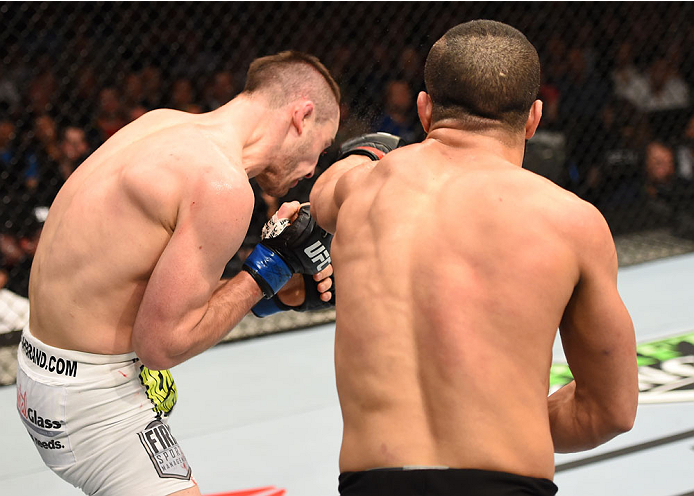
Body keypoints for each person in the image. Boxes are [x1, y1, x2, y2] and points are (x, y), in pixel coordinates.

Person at [310, 20, 638, 496]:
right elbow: (610, 411)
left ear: (424, 110)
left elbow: (321, 194)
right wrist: (503, 415)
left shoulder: (359, 191)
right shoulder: (571, 221)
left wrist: (367, 154)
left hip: (372, 482)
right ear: (534, 118)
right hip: (503, 482)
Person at [16, 50, 339, 496]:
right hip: (95, 406)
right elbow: (161, 345)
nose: (312, 168)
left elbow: (142, 286)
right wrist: (272, 266)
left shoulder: (161, 122)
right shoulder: (221, 184)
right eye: (320, 148)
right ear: (302, 116)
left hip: (41, 374)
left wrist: (270, 289)